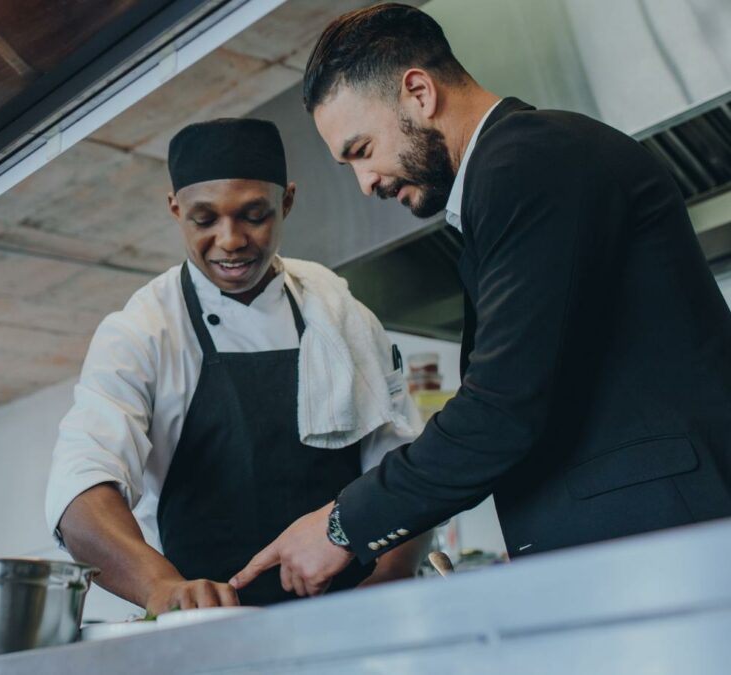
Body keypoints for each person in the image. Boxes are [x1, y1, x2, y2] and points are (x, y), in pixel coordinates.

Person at [231, 3, 731, 597]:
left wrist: (341, 525)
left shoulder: (530, 160)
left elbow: (502, 408)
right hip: (641, 552)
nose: (364, 184)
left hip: (666, 551)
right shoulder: (514, 174)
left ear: (418, 91)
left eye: (361, 150)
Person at [45, 118, 428, 615]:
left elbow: (401, 468)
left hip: (353, 618)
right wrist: (160, 586)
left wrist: (389, 580)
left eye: (254, 215)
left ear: (286, 202)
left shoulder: (340, 313)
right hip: (208, 627)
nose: (230, 240)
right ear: (175, 209)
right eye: (204, 220)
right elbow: (80, 490)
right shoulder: (142, 331)